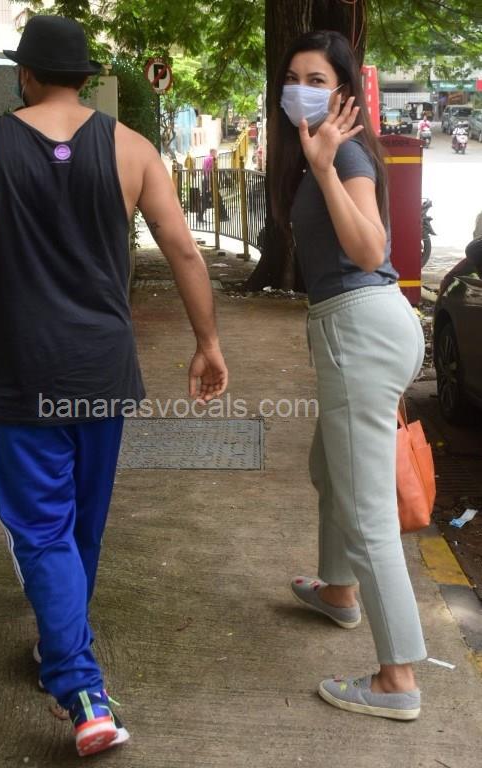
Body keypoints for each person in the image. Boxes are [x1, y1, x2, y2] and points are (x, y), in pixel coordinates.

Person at [0, 15, 228, 758]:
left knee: (40, 530)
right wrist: (207, 344)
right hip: (100, 370)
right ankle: (61, 644)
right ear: (87, 79)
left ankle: (81, 687)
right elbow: (185, 252)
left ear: (26, 76)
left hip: (19, 370)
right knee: (80, 524)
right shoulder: (133, 149)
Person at [275, 30, 426, 720]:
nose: (300, 88)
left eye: (317, 79)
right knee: (328, 471)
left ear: (343, 92)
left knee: (368, 514)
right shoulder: (321, 153)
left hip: (359, 330)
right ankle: (338, 591)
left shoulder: (345, 153)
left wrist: (328, 167)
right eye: (292, 76)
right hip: (364, 329)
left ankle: (398, 680)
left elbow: (369, 248)